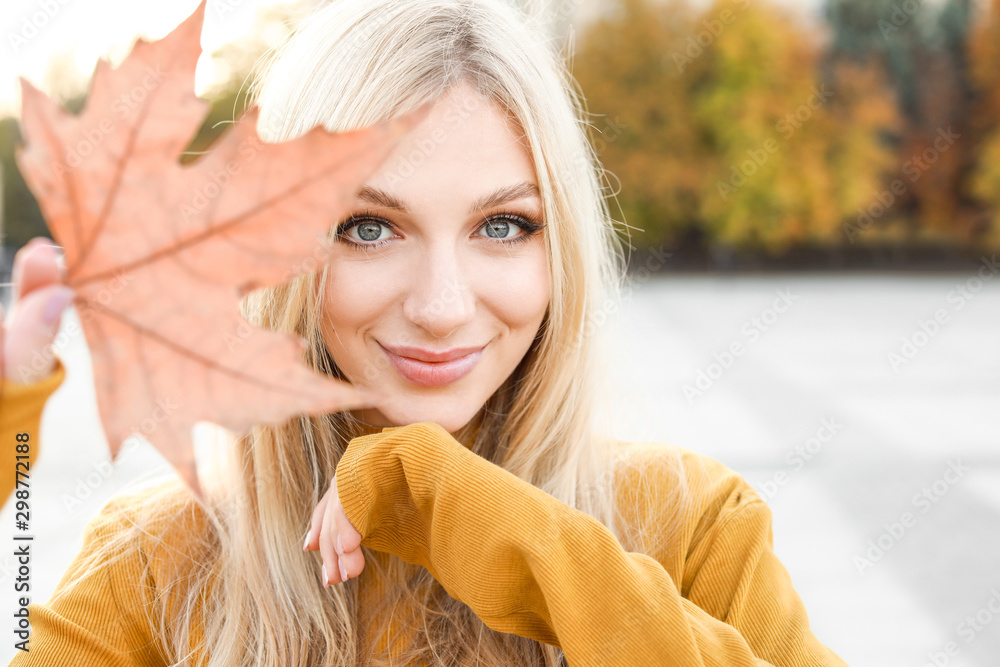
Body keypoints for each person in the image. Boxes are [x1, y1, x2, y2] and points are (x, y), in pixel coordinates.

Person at [1, 0, 850, 665]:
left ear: (564, 248)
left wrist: (463, 507)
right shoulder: (158, 560)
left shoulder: (692, 527)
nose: (442, 305)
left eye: (505, 225)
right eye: (370, 227)